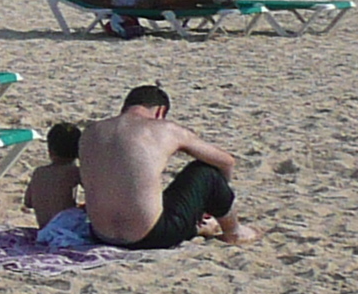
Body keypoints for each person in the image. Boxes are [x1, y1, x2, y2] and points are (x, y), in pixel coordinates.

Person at [77, 84, 253, 247]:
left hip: (100, 234)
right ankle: (234, 232)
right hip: (151, 235)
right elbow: (226, 162)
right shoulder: (165, 129)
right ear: (160, 111)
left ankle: (201, 226)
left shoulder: (91, 131)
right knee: (206, 172)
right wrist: (218, 198)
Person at [24, 122, 84, 228]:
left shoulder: (38, 172)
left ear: (50, 150)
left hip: (44, 229)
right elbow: (96, 197)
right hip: (66, 228)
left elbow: (28, 202)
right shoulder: (75, 172)